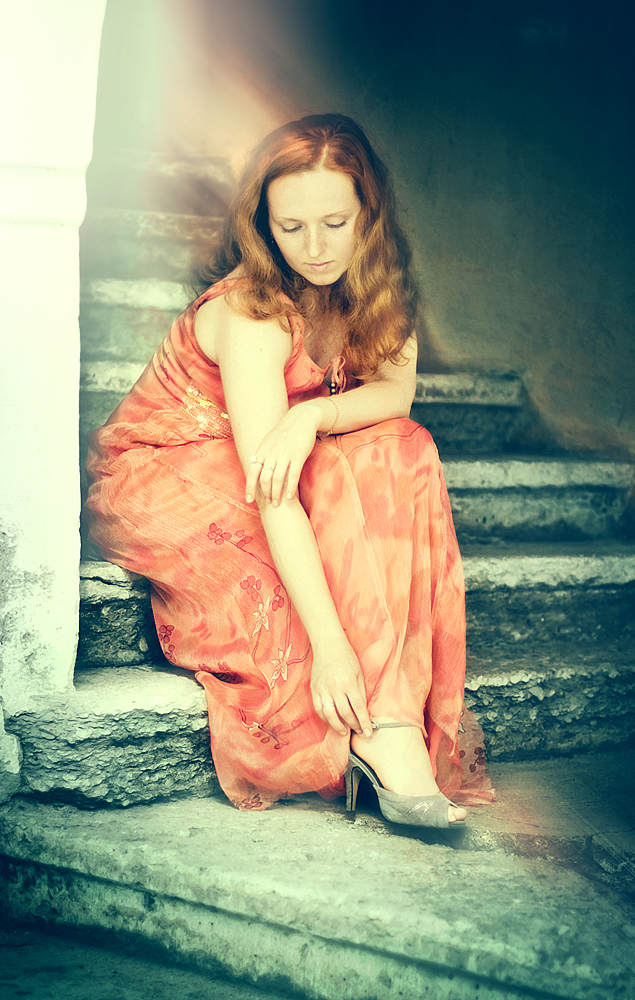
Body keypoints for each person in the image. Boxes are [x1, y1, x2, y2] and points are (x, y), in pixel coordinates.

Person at [85, 114, 495, 826]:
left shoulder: (379, 288)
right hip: (170, 473)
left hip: (280, 452)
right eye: (291, 227)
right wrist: (333, 650)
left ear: (369, 215)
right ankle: (378, 734)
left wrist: (312, 416)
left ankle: (390, 724)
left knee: (404, 446)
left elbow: (395, 396)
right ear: (263, 226)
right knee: (309, 580)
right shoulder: (253, 311)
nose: (315, 248)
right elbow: (272, 494)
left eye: (336, 223)